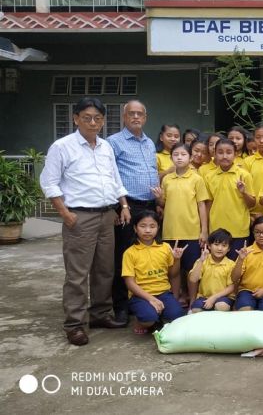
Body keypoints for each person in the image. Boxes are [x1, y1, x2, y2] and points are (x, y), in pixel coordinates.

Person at [40, 97, 130, 345]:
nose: (93, 122)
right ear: (76, 118)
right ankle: (75, 324)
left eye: (98, 118)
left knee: (105, 270)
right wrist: (65, 214)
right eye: (87, 117)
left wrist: (122, 205)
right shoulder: (62, 146)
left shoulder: (105, 147)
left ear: (103, 121)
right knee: (78, 274)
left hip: (107, 215)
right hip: (79, 216)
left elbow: (115, 178)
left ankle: (100, 314)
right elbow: (49, 182)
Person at [107, 99, 159, 325]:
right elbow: (109, 176)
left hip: (149, 206)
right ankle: (120, 306)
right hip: (128, 207)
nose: (136, 117)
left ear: (145, 118)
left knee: (147, 256)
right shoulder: (114, 142)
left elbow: (152, 172)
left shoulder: (148, 142)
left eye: (140, 114)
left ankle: (143, 298)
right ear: (124, 117)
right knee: (124, 256)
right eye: (131, 114)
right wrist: (117, 207)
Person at [152, 143, 209, 306]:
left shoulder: (197, 179)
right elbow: (163, 203)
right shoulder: (167, 179)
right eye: (176, 154)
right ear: (171, 158)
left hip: (191, 231)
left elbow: (201, 205)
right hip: (171, 231)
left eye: (183, 154)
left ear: (190, 157)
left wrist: (204, 231)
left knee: (192, 270)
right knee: (174, 270)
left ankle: (193, 300)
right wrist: (159, 197)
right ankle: (175, 300)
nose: (179, 157)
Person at [122, 210, 186, 334]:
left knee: (178, 317)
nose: (147, 230)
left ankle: (158, 315)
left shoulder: (165, 247)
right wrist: (151, 299)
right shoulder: (130, 252)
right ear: (135, 228)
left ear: (158, 228)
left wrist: (177, 259)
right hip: (140, 296)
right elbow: (130, 283)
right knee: (148, 319)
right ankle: (145, 320)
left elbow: (173, 274)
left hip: (163, 293)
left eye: (152, 226)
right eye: (143, 226)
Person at [204, 138, 256, 257]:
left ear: (236, 154)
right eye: (220, 152)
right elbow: (208, 204)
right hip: (216, 229)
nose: (224, 156)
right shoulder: (209, 176)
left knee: (237, 267)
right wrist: (205, 230)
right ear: (214, 153)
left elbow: (252, 204)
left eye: (229, 152)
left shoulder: (244, 175)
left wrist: (243, 192)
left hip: (239, 229)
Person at [188, 228, 236, 313]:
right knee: (196, 310)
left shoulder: (231, 264)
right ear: (209, 246)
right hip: (204, 297)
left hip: (223, 297)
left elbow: (231, 287)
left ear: (228, 249)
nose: (220, 248)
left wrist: (214, 298)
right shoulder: (202, 261)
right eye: (216, 244)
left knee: (221, 306)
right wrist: (201, 261)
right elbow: (193, 279)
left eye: (224, 245)